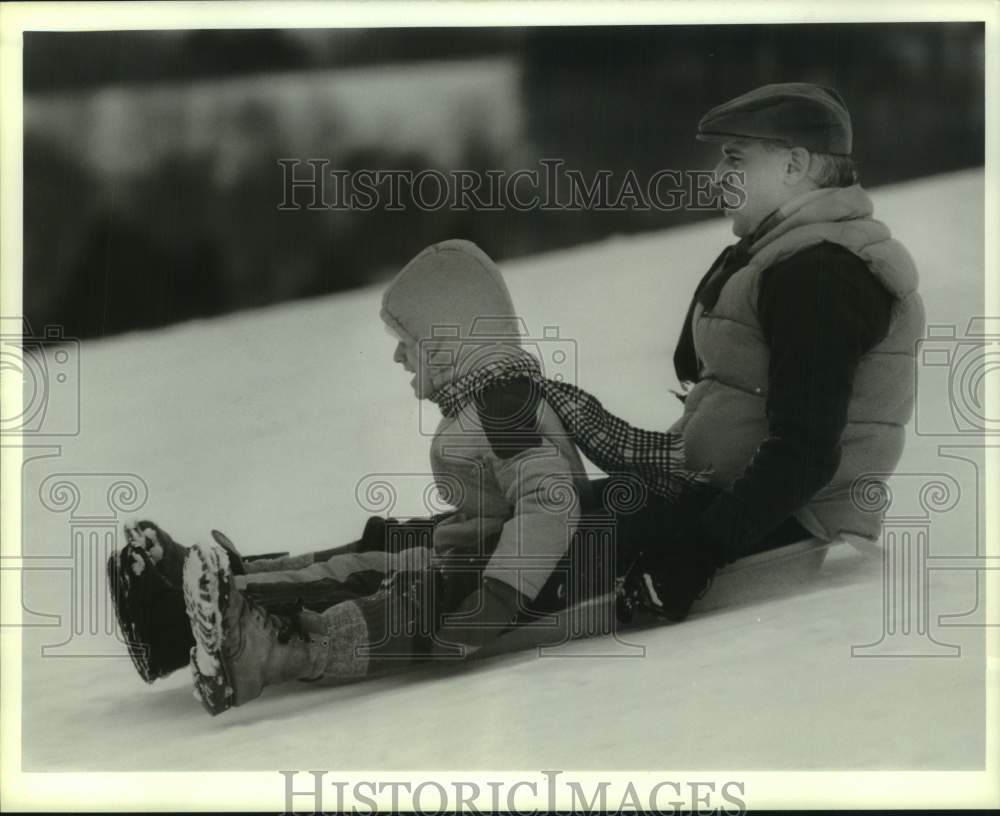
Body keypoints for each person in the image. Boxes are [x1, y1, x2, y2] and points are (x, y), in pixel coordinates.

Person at [113, 239, 706, 715]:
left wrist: (495, 600)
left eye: (408, 344)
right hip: (479, 543)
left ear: (445, 346)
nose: (399, 359)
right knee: (374, 549)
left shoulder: (504, 404)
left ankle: (268, 648)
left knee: (392, 592)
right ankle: (207, 602)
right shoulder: (494, 398)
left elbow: (550, 503)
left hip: (504, 572)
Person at [617, 83, 926, 622]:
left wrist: (694, 557)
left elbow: (804, 451)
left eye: (735, 158)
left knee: (547, 534)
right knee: (545, 511)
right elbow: (707, 376)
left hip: (779, 521)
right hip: (718, 495)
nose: (717, 176)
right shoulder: (779, 256)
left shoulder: (821, 272)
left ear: (795, 165)